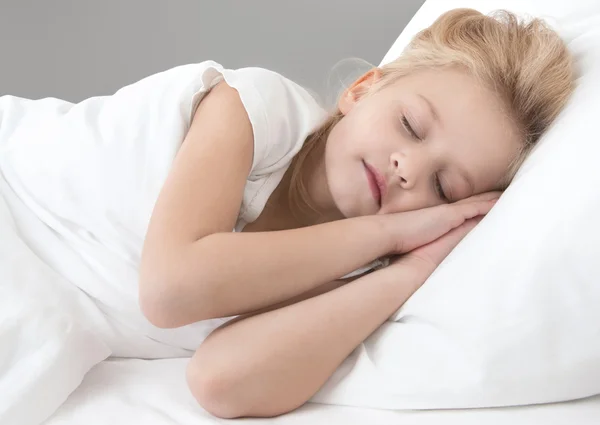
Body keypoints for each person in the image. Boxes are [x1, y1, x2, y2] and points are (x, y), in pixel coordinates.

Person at [137, 8, 574, 419]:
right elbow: (168, 293)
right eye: (410, 126)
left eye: (443, 187)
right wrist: (387, 232)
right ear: (361, 89)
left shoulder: (359, 267)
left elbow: (220, 379)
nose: (408, 168)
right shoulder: (255, 109)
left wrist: (412, 268)